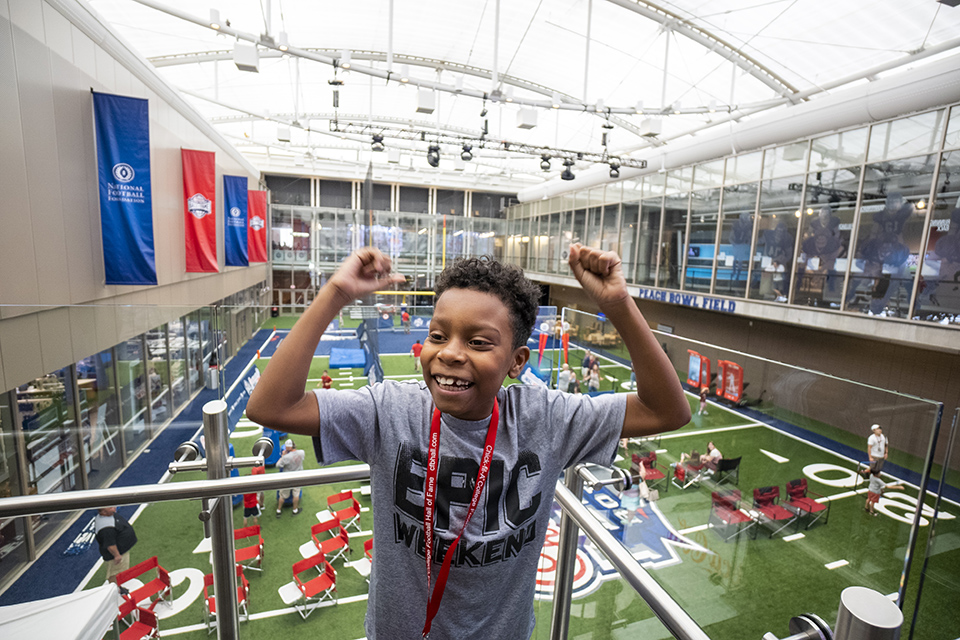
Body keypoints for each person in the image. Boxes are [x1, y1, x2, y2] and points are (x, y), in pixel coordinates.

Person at [246, 243, 690, 640]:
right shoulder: (390, 410)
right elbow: (272, 407)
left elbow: (667, 410)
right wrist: (335, 295)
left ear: (517, 362)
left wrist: (618, 305)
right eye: (438, 335)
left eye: (478, 342)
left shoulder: (547, 418)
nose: (451, 352)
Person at [95, 506, 137, 588]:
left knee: (119, 573)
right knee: (115, 574)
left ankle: (118, 587)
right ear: (103, 512)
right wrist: (117, 555)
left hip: (121, 550)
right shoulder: (106, 528)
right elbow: (110, 545)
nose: (114, 508)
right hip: (115, 555)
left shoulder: (108, 515)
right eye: (110, 507)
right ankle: (115, 589)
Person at [276, 439, 306, 517]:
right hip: (297, 477)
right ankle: (295, 510)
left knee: (282, 495)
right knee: (296, 494)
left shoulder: (286, 457)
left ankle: (278, 510)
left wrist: (282, 456)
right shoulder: (301, 452)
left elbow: (278, 465)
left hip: (287, 477)